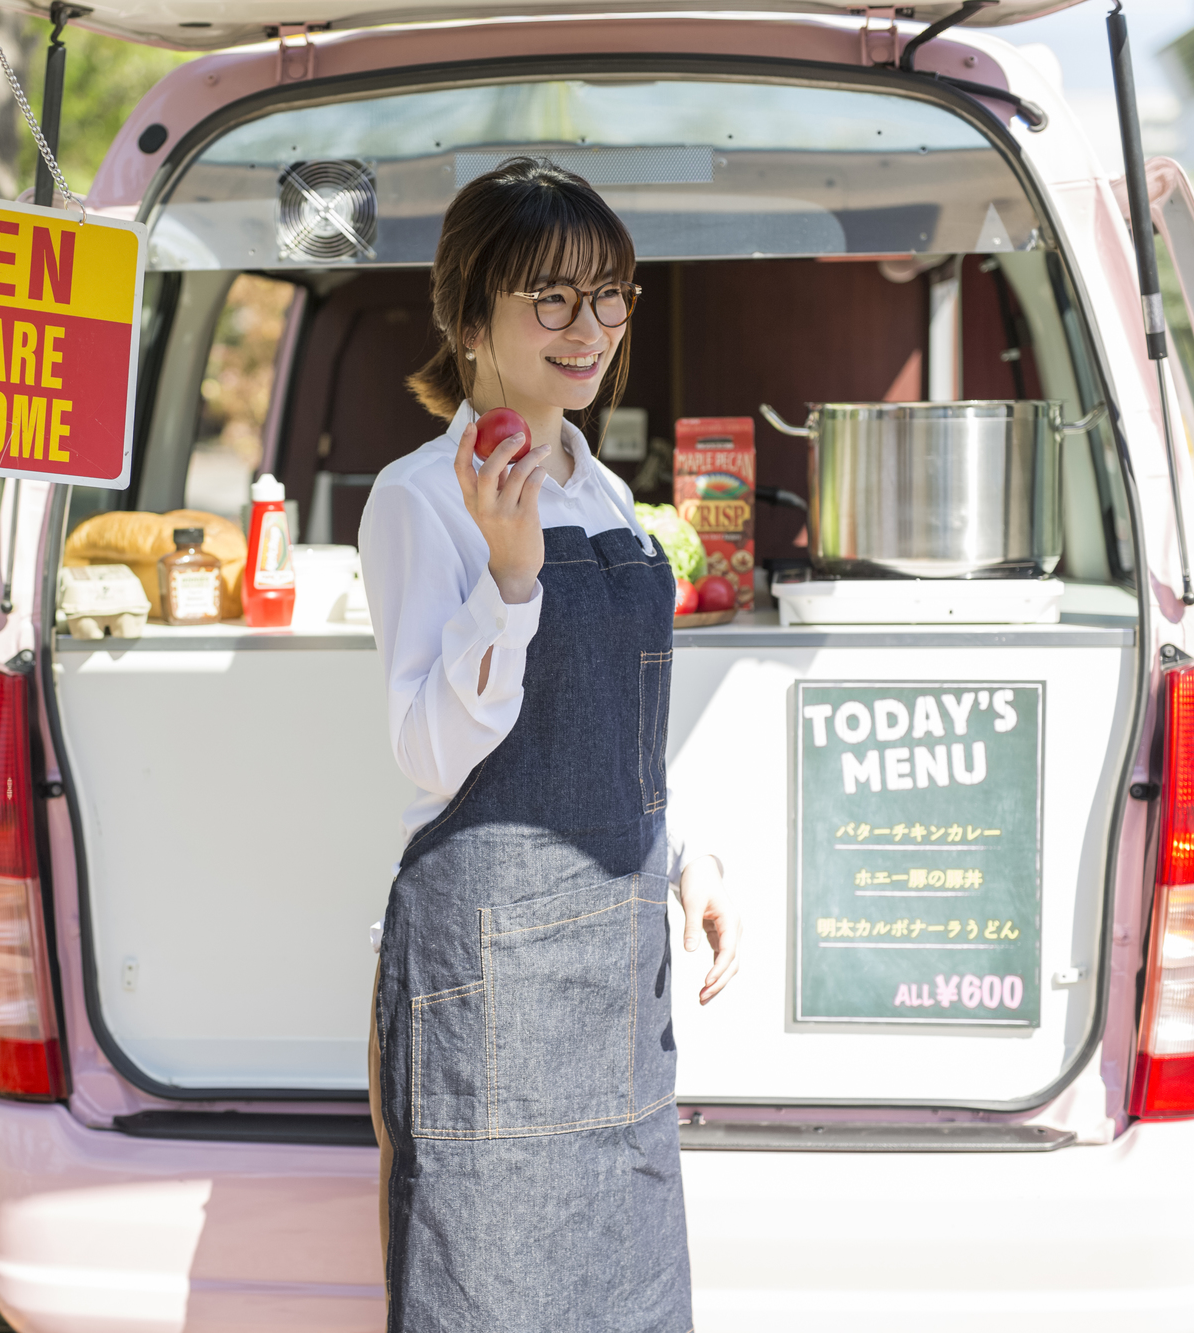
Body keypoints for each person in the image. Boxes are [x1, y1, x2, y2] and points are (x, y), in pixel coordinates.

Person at [358, 156, 741, 1333]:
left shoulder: (605, 493)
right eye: (553, 299)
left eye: (611, 295)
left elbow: (620, 725)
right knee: (490, 1290)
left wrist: (685, 857)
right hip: (493, 966)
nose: (592, 330)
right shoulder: (418, 499)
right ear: (468, 315)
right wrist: (509, 582)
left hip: (616, 966)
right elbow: (427, 753)